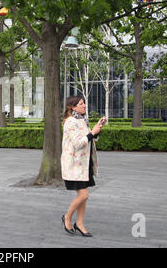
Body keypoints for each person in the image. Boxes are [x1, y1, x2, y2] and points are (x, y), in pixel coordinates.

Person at [60, 96, 107, 237]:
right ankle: (67, 217)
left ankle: (79, 223)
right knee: (83, 195)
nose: (85, 105)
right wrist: (92, 132)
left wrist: (97, 129)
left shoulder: (81, 120)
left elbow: (90, 139)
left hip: (84, 164)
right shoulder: (70, 122)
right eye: (81, 104)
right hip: (74, 165)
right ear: (72, 107)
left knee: (84, 196)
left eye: (84, 103)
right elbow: (78, 143)